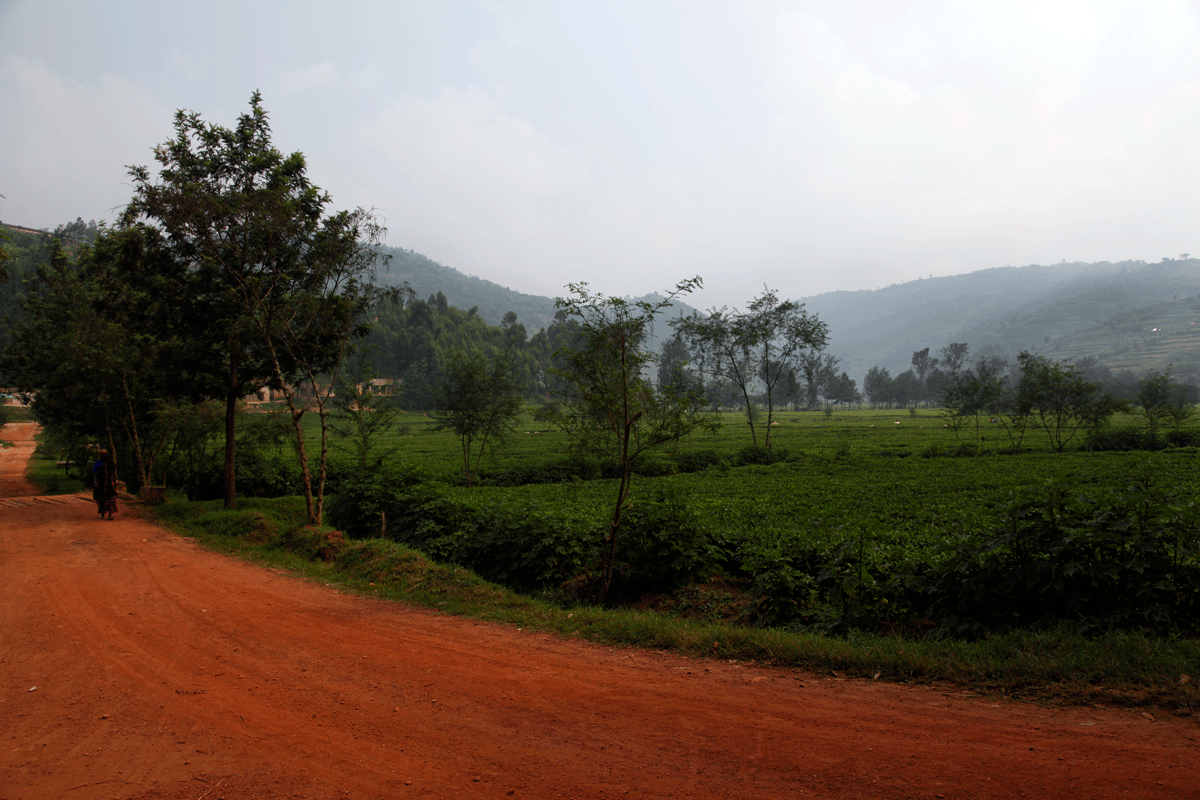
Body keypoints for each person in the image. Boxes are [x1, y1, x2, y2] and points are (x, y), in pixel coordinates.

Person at [92, 449, 118, 520]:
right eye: (102, 454)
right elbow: (95, 474)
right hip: (100, 483)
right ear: (100, 455)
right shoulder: (97, 463)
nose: (104, 455)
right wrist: (96, 484)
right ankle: (102, 514)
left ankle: (110, 514)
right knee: (101, 499)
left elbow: (113, 474)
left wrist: (114, 483)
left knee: (110, 499)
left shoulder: (111, 463)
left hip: (109, 483)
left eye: (105, 454)